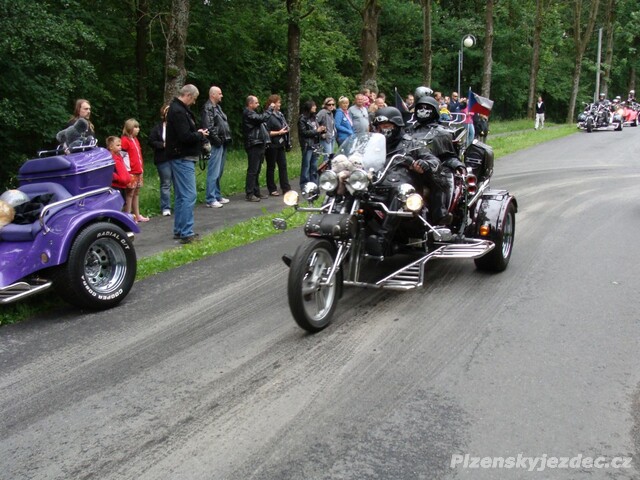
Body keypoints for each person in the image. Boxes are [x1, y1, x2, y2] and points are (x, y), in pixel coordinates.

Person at [365, 106, 442, 256]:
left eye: (386, 126)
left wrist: (425, 164)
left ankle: (382, 240)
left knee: (401, 191)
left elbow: (434, 161)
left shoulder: (411, 144)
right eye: (379, 126)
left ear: (397, 126)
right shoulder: (372, 145)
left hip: (402, 191)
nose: (382, 129)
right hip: (375, 185)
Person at [408, 95, 465, 225]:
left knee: (438, 181)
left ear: (434, 111)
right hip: (409, 167)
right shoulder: (408, 131)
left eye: (427, 108)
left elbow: (449, 156)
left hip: (435, 168)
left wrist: (458, 165)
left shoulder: (441, 133)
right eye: (420, 108)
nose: (423, 111)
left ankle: (440, 215)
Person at [166, 84, 209, 244]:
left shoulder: (176, 109)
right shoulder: (178, 111)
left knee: (181, 196)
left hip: (178, 156)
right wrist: (199, 134)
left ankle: (179, 229)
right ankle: (186, 232)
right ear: (189, 95)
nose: (194, 102)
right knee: (189, 195)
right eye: (194, 99)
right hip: (183, 157)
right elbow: (184, 136)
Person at [201, 85, 232, 208]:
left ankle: (217, 195)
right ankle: (210, 198)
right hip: (215, 143)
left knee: (219, 171)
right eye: (219, 93)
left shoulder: (218, 107)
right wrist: (217, 140)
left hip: (222, 142)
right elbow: (208, 127)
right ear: (213, 94)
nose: (221, 96)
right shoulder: (207, 108)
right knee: (213, 171)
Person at [242, 95, 274, 202]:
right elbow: (262, 118)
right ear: (250, 104)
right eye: (256, 103)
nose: (258, 104)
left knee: (257, 169)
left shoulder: (253, 113)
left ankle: (256, 191)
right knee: (253, 170)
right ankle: (249, 193)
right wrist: (270, 109)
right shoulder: (248, 113)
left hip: (259, 143)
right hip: (253, 143)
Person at [121, 118, 148, 222]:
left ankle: (137, 215)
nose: (138, 129)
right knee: (130, 193)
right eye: (135, 127)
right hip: (131, 172)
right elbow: (122, 157)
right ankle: (128, 216)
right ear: (129, 128)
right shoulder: (125, 140)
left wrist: (141, 168)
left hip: (138, 170)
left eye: (138, 127)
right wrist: (126, 171)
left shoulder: (135, 140)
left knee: (136, 193)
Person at [264, 94, 291, 196]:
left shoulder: (280, 114)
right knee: (271, 167)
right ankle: (272, 188)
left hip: (281, 144)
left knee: (283, 165)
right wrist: (279, 132)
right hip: (272, 144)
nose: (280, 104)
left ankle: (285, 187)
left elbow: (284, 125)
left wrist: (286, 129)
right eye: (278, 102)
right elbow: (266, 132)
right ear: (273, 103)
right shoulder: (268, 116)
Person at [148, 104, 173, 216]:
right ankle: (166, 207)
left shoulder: (177, 126)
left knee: (178, 182)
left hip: (176, 158)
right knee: (166, 183)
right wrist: (162, 145)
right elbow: (151, 141)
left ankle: (180, 205)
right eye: (167, 112)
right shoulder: (158, 128)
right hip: (163, 158)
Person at [298, 99, 325, 189]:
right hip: (307, 144)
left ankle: (314, 183)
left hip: (316, 144)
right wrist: (316, 131)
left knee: (314, 165)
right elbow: (303, 132)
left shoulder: (314, 118)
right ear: (309, 107)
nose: (315, 107)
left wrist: (321, 130)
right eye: (313, 106)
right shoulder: (302, 119)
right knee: (306, 165)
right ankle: (304, 184)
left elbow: (316, 129)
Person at [107, 136, 131, 200]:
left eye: (120, 145)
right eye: (118, 145)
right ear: (111, 147)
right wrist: (117, 178)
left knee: (123, 202)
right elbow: (110, 173)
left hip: (122, 186)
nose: (120, 147)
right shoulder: (110, 159)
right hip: (116, 186)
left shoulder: (119, 157)